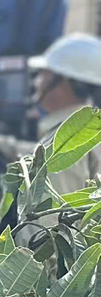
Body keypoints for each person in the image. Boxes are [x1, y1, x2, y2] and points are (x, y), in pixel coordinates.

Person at [31, 32, 101, 194]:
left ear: (63, 84)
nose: (37, 81)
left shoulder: (62, 143)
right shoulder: (91, 131)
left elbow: (52, 218)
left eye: (44, 73)